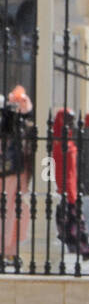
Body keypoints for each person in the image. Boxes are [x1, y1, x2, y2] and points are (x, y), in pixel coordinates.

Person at [51, 107, 89, 260]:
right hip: (59, 189)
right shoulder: (55, 141)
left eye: (72, 119)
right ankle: (84, 250)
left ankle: (84, 250)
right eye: (68, 118)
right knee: (71, 223)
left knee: (73, 223)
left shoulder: (68, 140)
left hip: (71, 189)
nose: (71, 122)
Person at [1, 85, 35, 261]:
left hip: (17, 168)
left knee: (16, 211)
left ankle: (11, 250)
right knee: (10, 211)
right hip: (13, 168)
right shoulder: (11, 117)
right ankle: (6, 249)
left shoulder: (13, 116)